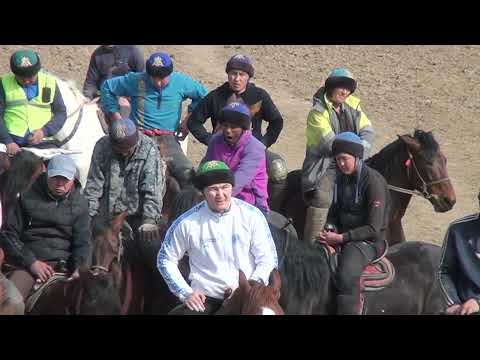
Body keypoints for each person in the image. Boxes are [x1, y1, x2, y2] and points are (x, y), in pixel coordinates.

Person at [157, 160, 278, 315]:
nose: (220, 194)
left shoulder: (252, 216)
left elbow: (267, 259)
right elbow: (165, 259)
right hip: (206, 299)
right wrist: (185, 292)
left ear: (232, 187)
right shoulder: (187, 223)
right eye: (213, 189)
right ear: (203, 192)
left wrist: (249, 288)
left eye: (225, 187)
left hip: (248, 297)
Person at [187, 54, 288, 209]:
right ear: (228, 75)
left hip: (252, 146)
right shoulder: (215, 96)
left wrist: (264, 143)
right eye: (233, 73)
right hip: (221, 147)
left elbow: (277, 121)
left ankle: (272, 209)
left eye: (242, 74)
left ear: (248, 77)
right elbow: (194, 121)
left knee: (278, 169)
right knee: (195, 178)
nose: (237, 78)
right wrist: (210, 139)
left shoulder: (259, 95)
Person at [101, 52, 208, 185]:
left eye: (162, 78)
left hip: (166, 141)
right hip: (137, 137)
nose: (158, 82)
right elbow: (107, 87)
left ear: (170, 74)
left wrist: (188, 120)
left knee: (187, 174)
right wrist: (116, 117)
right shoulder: (136, 80)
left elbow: (203, 95)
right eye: (154, 77)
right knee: (113, 172)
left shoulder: (181, 82)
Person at [0, 154, 91, 302]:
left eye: (65, 179)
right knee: (12, 302)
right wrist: (32, 263)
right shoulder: (26, 196)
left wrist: (79, 268)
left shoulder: (81, 204)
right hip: (28, 265)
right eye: (55, 177)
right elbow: (9, 235)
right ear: (47, 174)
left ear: (73, 179)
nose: (60, 183)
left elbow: (83, 242)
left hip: (64, 266)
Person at [316, 132, 389, 315]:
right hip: (342, 236)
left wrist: (340, 238)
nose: (340, 164)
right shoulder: (340, 178)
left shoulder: (374, 181)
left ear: (356, 156)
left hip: (369, 242)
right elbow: (333, 213)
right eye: (337, 159)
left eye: (344, 159)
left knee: (347, 274)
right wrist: (329, 231)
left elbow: (373, 228)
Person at [301, 68, 375, 243]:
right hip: (325, 166)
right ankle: (311, 245)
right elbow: (332, 145)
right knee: (322, 197)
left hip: (353, 162)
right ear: (331, 87)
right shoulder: (317, 113)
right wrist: (357, 152)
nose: (345, 92)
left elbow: (368, 132)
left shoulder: (354, 107)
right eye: (341, 87)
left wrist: (357, 155)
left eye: (348, 89)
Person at [83, 117, 165, 269]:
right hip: (106, 214)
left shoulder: (149, 149)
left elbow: (152, 189)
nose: (122, 152)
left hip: (137, 216)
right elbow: (94, 185)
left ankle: (162, 289)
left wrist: (149, 220)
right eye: (118, 149)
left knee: (153, 251)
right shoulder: (102, 146)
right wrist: (89, 216)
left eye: (126, 149)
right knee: (84, 248)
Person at [202, 102, 269, 214]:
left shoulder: (254, 148)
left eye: (233, 127)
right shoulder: (215, 141)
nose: (228, 130)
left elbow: (237, 183)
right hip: (218, 197)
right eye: (225, 125)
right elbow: (206, 167)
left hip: (250, 204)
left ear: (243, 128)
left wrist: (211, 197)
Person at [0, 49, 67, 156]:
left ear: (37, 71)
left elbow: (61, 113)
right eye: (21, 78)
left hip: (43, 143)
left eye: (30, 77)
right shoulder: (3, 83)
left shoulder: (50, 82)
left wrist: (44, 131)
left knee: (62, 165)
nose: (26, 81)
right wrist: (7, 141)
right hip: (10, 143)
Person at [438, 192, 480, 315]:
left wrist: (478, 302)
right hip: (462, 308)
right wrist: (454, 303)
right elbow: (444, 271)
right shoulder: (457, 229)